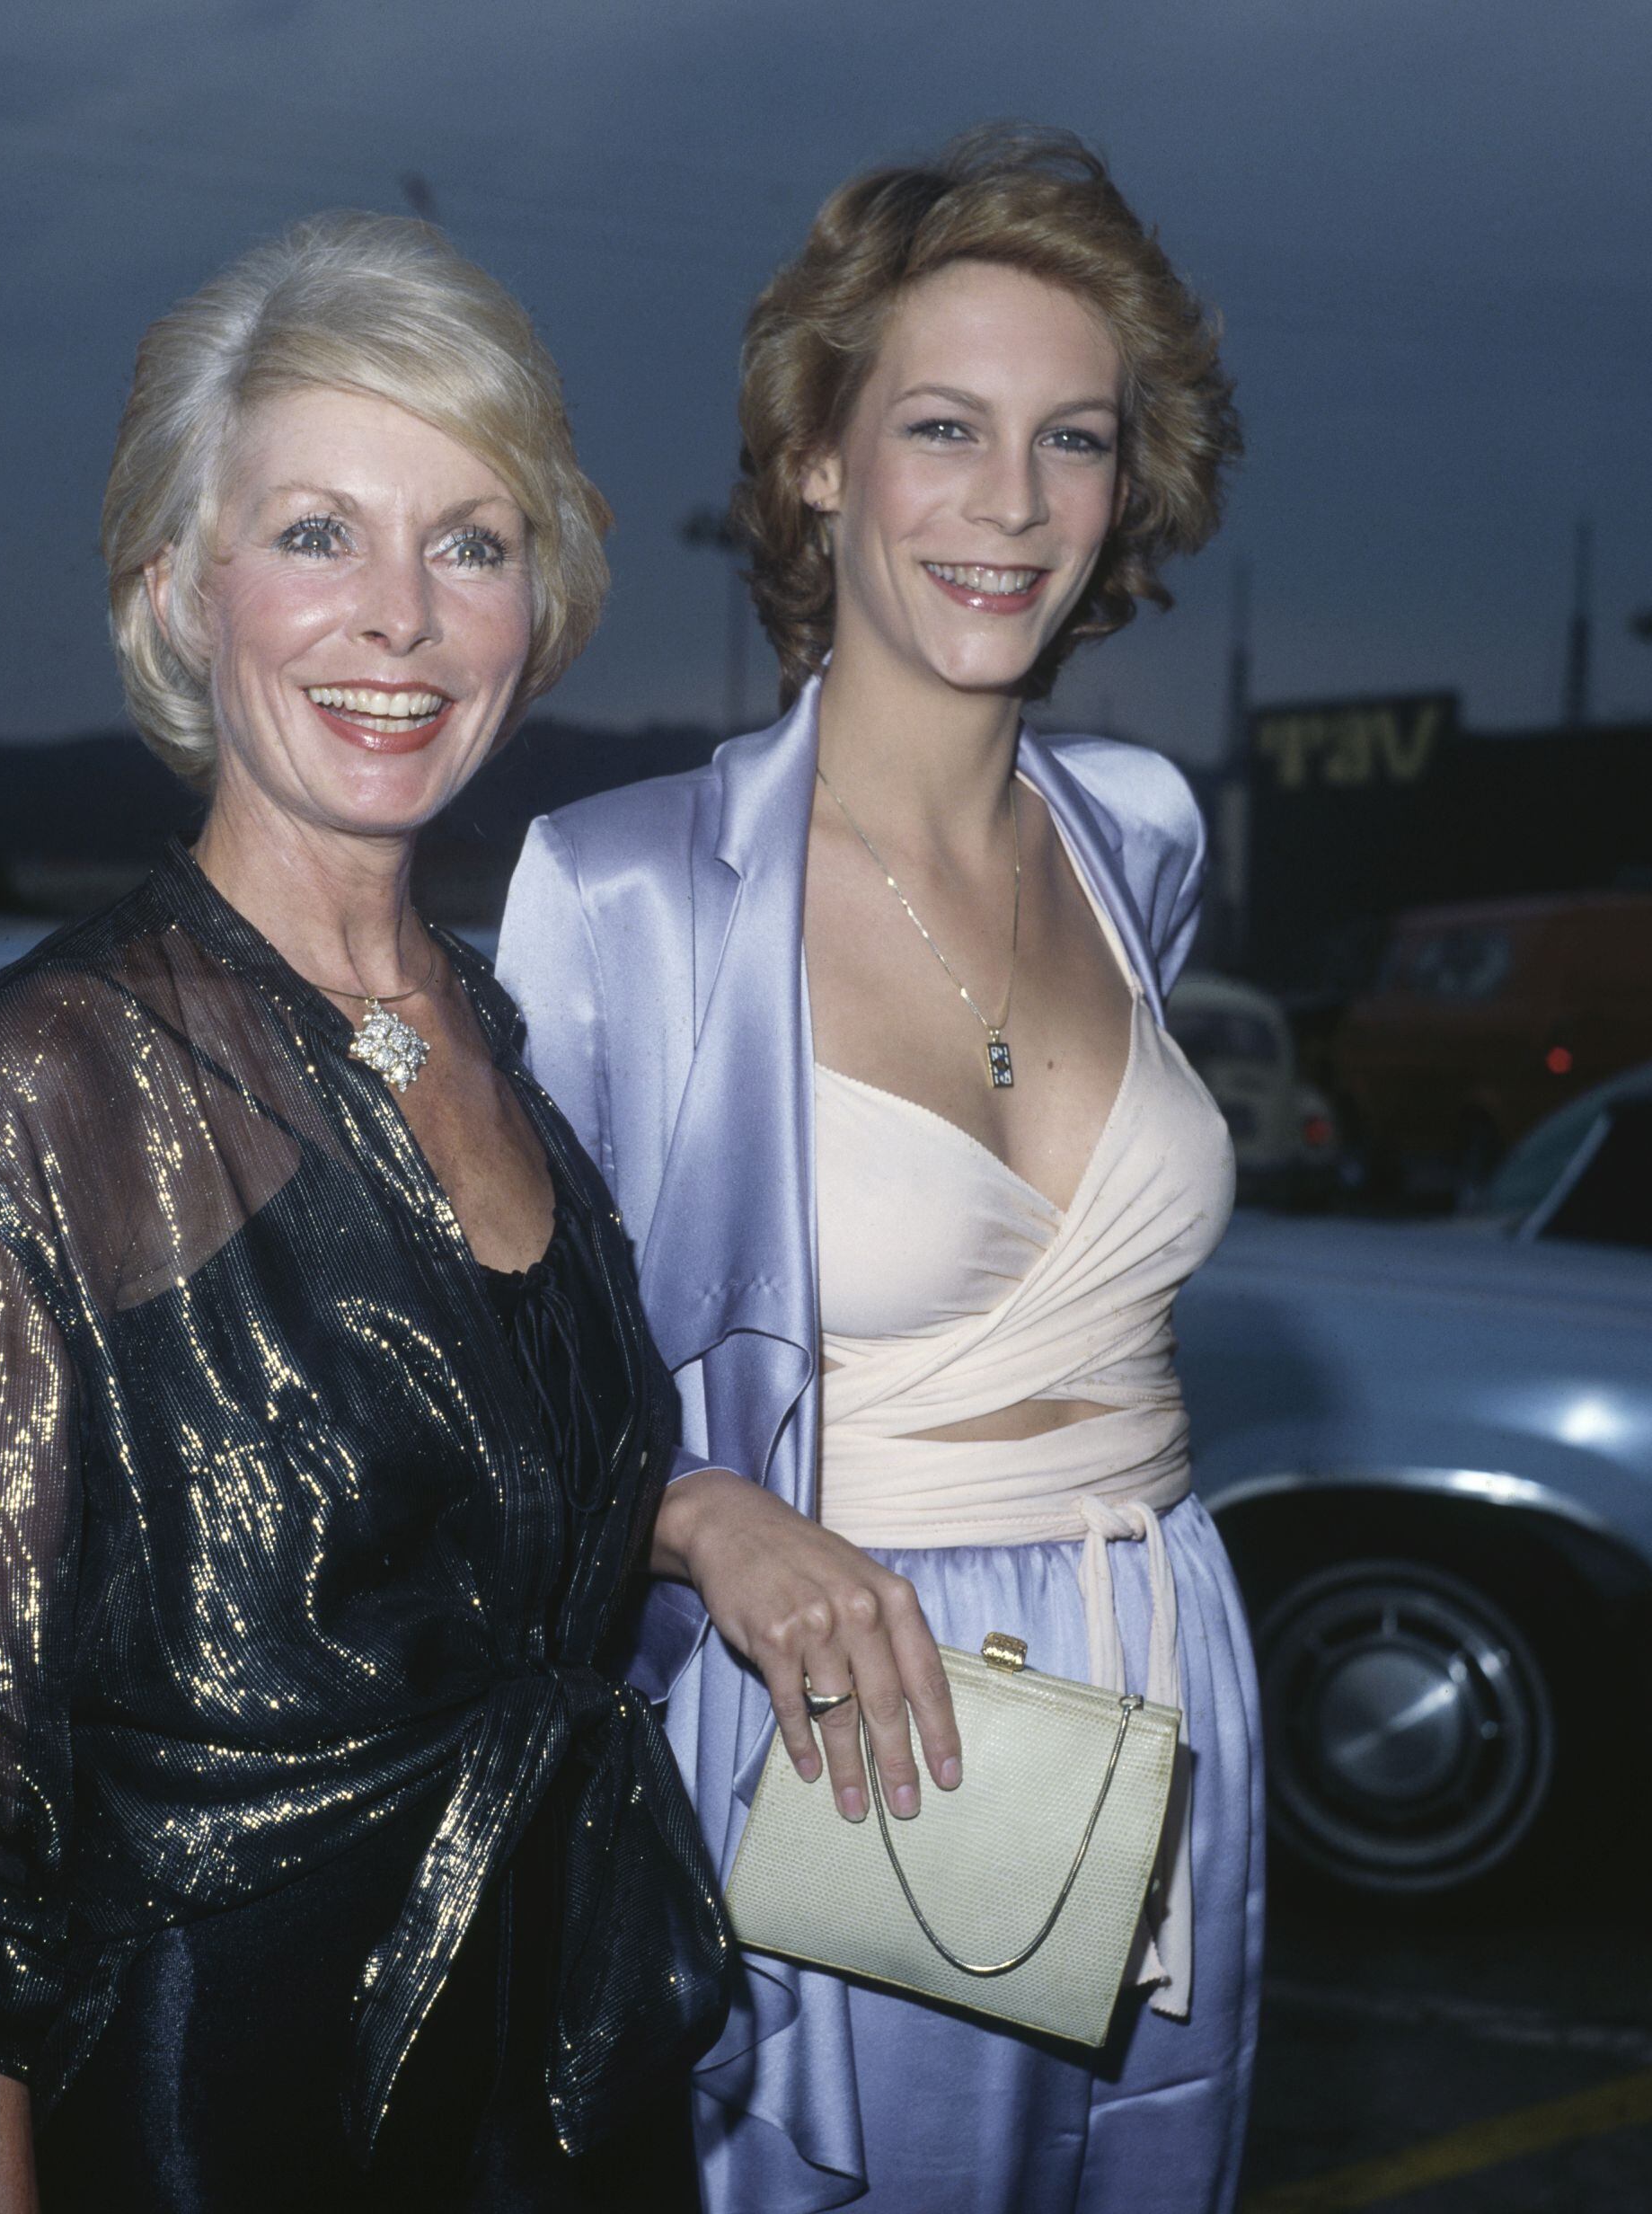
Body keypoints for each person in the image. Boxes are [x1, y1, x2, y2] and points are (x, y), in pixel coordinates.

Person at [0, 212, 728, 2214]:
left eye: (470, 543)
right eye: (319, 533)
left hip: (561, 2091)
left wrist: (705, 1512)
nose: (399, 617)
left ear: (537, 609)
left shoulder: (489, 1035)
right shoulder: (56, 1084)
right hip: (231, 2115)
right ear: (176, 590)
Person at [499, 129, 1260, 2213]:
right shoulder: (630, 893)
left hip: (1165, 1661)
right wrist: (694, 1509)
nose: (1011, 501)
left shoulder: (1140, 834)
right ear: (820, 459)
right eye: (944, 426)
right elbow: (493, 1393)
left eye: (1071, 437)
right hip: (854, 1712)